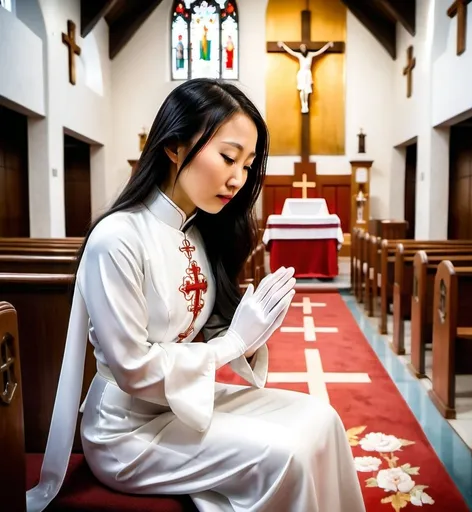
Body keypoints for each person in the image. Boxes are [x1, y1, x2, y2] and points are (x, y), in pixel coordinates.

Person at [26, 78, 365, 512]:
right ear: (174, 147)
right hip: (126, 431)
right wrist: (233, 342)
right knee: (288, 456)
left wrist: (254, 330)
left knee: (323, 420)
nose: (239, 179)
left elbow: (207, 331)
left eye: (248, 165)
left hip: (182, 404)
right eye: (228, 157)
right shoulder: (118, 238)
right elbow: (133, 369)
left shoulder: (200, 231)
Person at [277, 41, 334, 113]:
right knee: (302, 90)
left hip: (307, 74)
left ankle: (306, 105)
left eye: (304, 47)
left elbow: (320, 51)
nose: (303, 49)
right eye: (301, 48)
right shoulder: (299, 55)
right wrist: (283, 45)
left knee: (306, 91)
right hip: (302, 74)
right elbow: (291, 51)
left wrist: (327, 45)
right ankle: (303, 105)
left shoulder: (310, 55)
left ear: (306, 48)